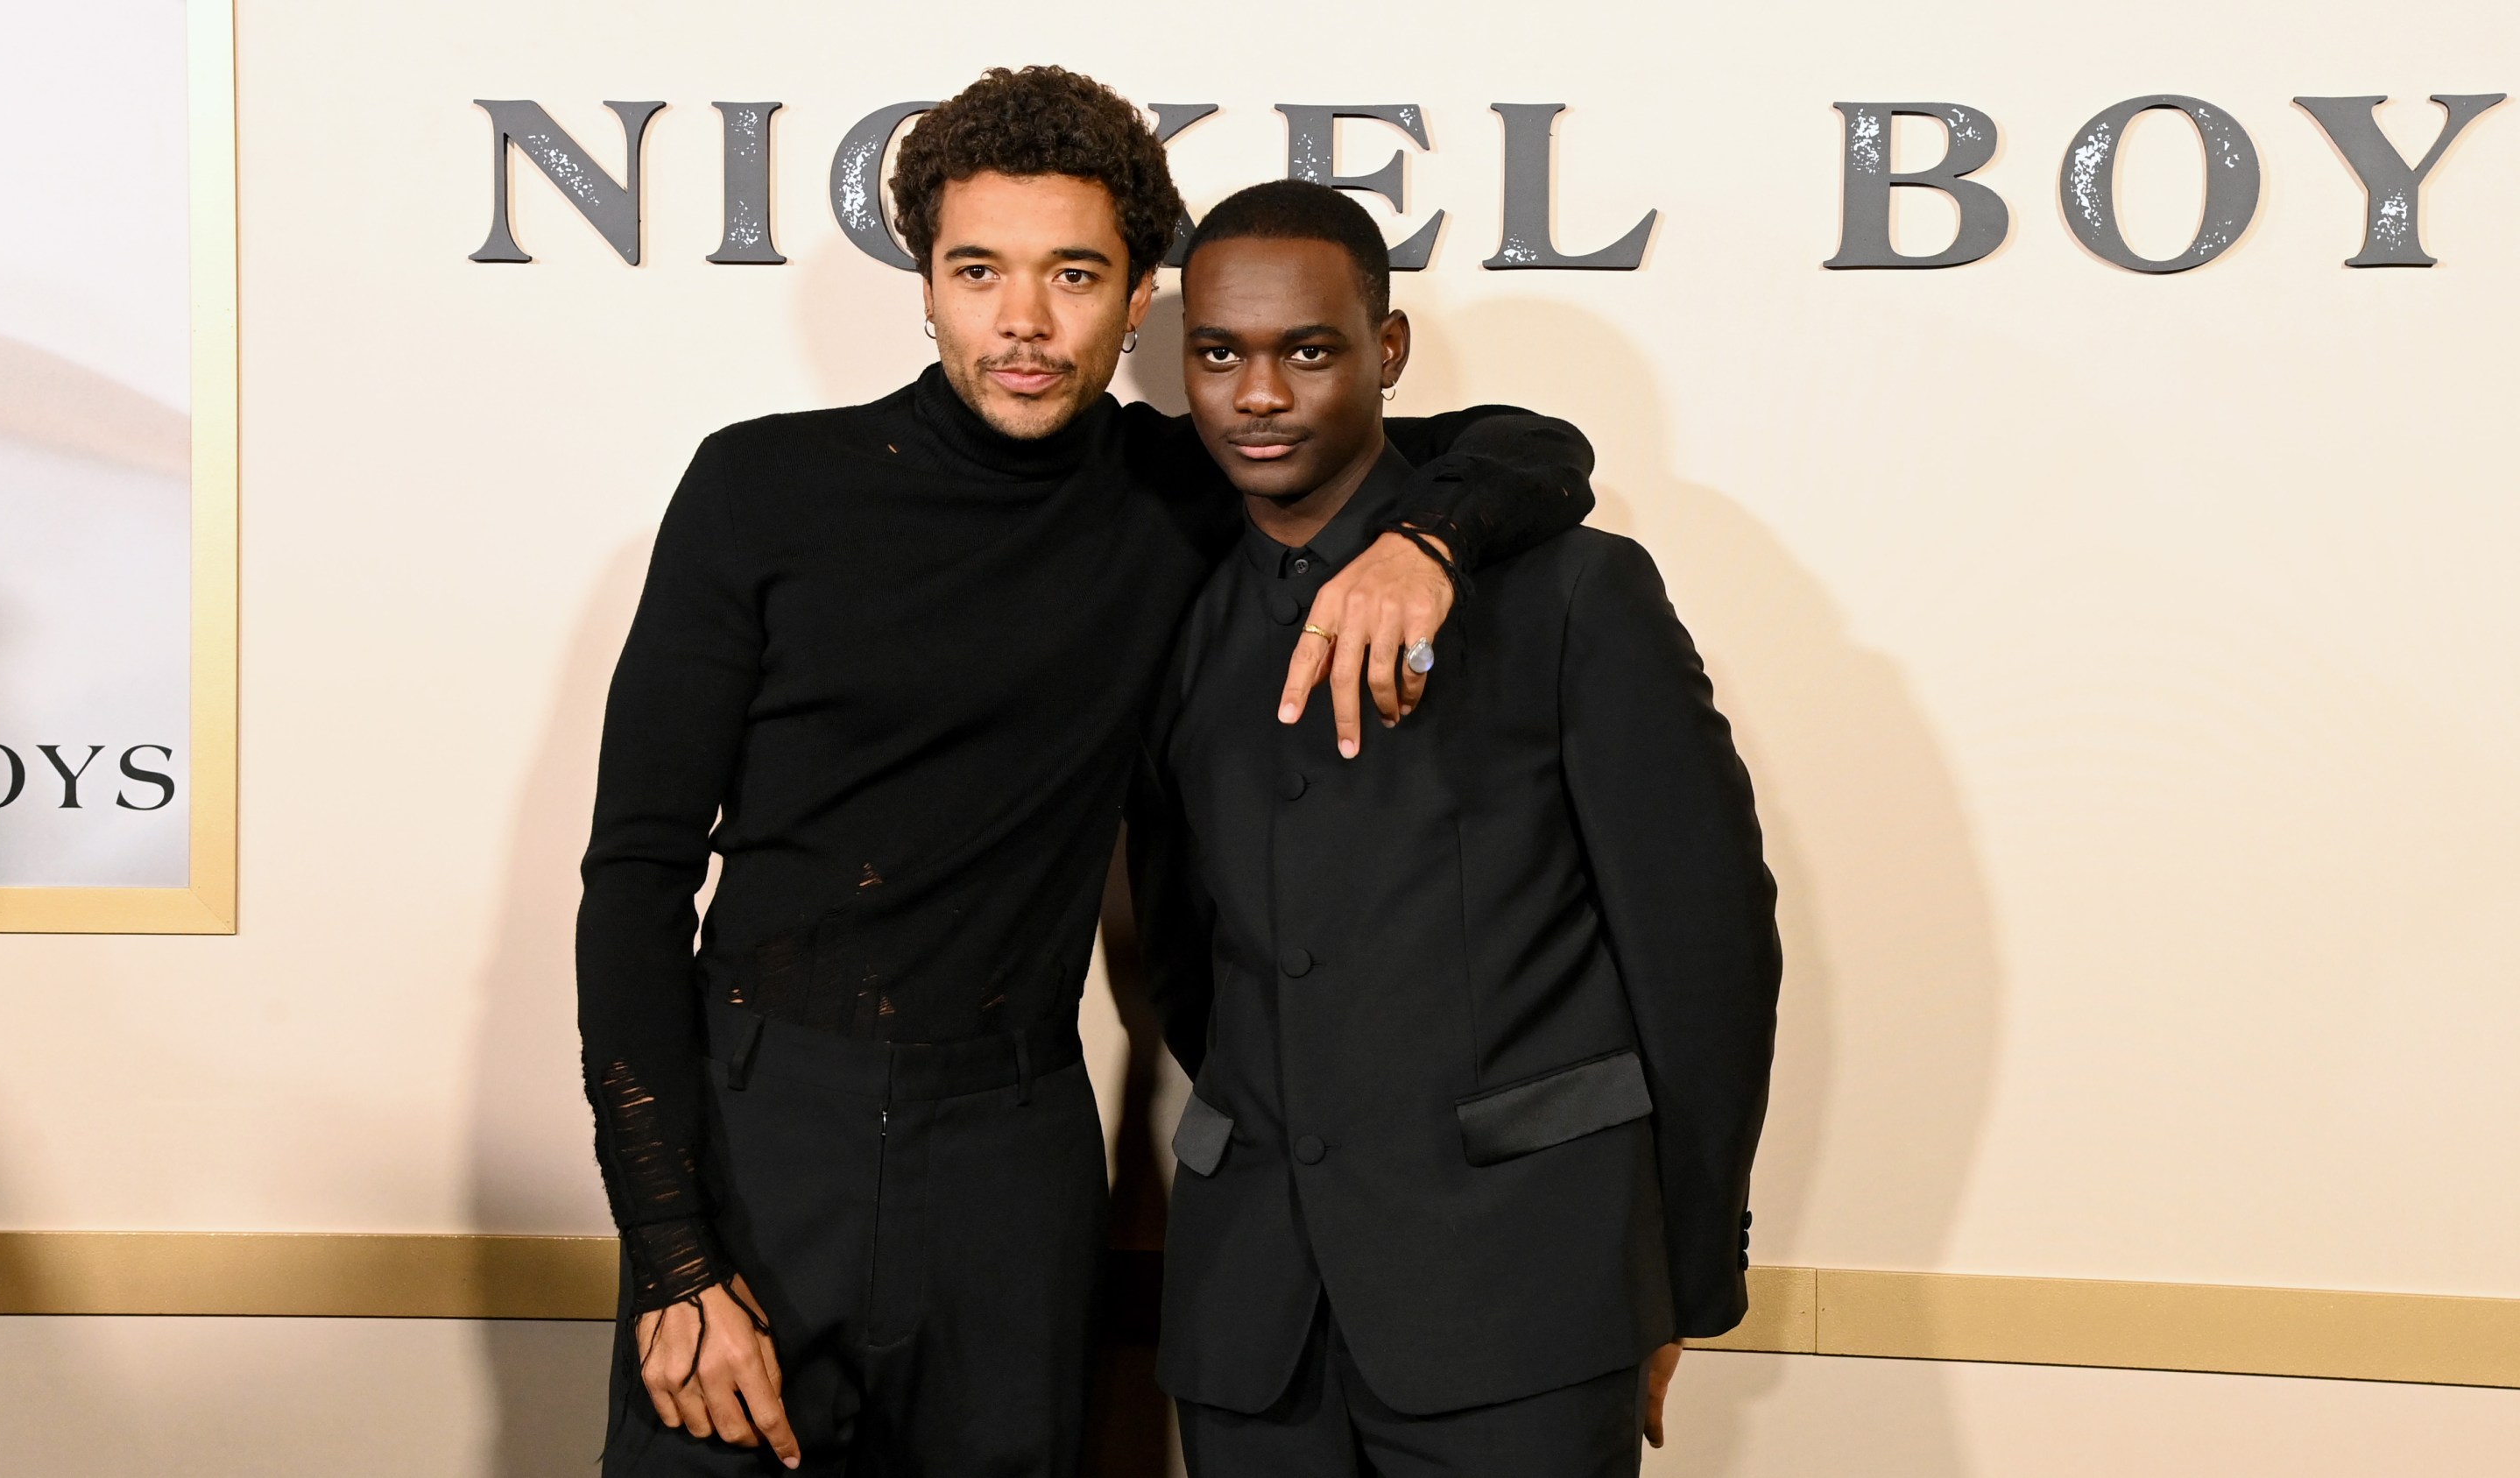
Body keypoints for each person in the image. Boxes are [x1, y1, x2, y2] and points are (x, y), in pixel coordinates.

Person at [577, 69, 1598, 1476]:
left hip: (1015, 1150)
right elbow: (634, 873)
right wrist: (674, 1256)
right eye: (978, 270)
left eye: (1074, 274)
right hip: (762, 1134)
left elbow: (1534, 453)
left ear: (1136, 301)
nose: (1024, 321)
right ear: (925, 286)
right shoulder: (763, 488)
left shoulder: (1180, 496)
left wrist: (1430, 543)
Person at [1126, 179, 1781, 1477]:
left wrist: (1675, 1284)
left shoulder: (1573, 595)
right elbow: (1186, 955)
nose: (1259, 395)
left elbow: (1707, 962)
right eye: (1219, 355)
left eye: (1308, 351)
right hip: (1248, 1321)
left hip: (1528, 1305)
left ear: (1387, 352)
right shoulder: (1170, 604)